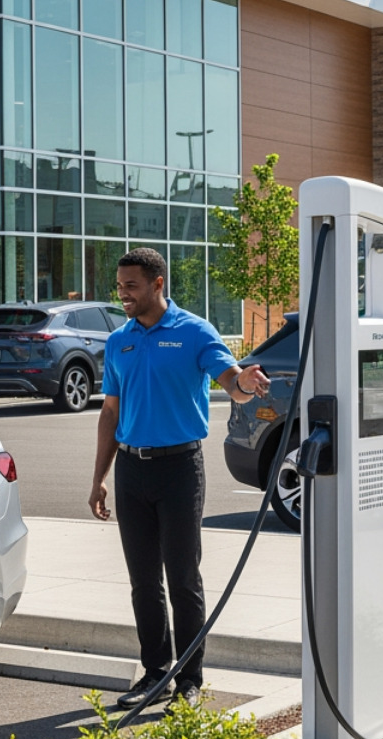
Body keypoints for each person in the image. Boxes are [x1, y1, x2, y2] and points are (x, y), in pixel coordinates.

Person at [88, 248, 271, 709]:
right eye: (120, 285)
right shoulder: (119, 341)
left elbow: (231, 382)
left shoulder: (194, 331)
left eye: (131, 285)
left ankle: (190, 679)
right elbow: (109, 412)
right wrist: (99, 478)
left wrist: (245, 383)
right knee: (142, 581)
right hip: (131, 469)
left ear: (157, 284)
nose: (123, 294)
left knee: (183, 578)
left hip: (179, 470)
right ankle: (154, 674)